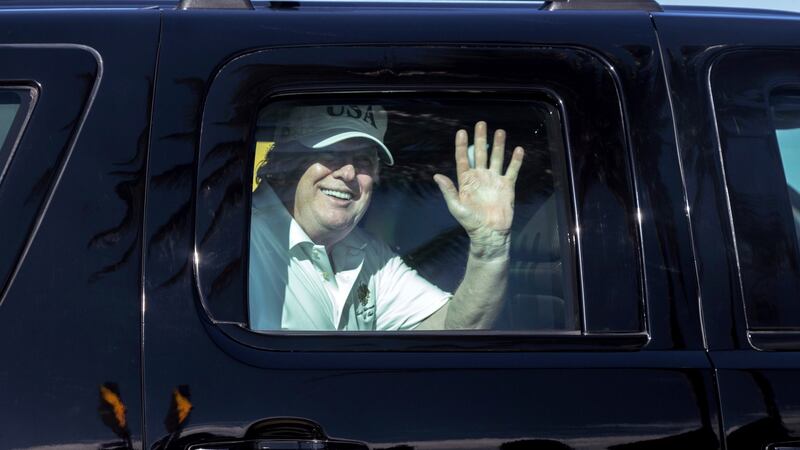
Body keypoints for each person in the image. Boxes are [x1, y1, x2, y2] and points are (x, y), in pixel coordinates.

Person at [249, 104, 524, 331]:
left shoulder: (368, 254)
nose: (347, 173)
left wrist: (489, 249)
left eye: (363, 161)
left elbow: (453, 330)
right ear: (286, 161)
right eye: (330, 154)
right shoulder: (241, 241)